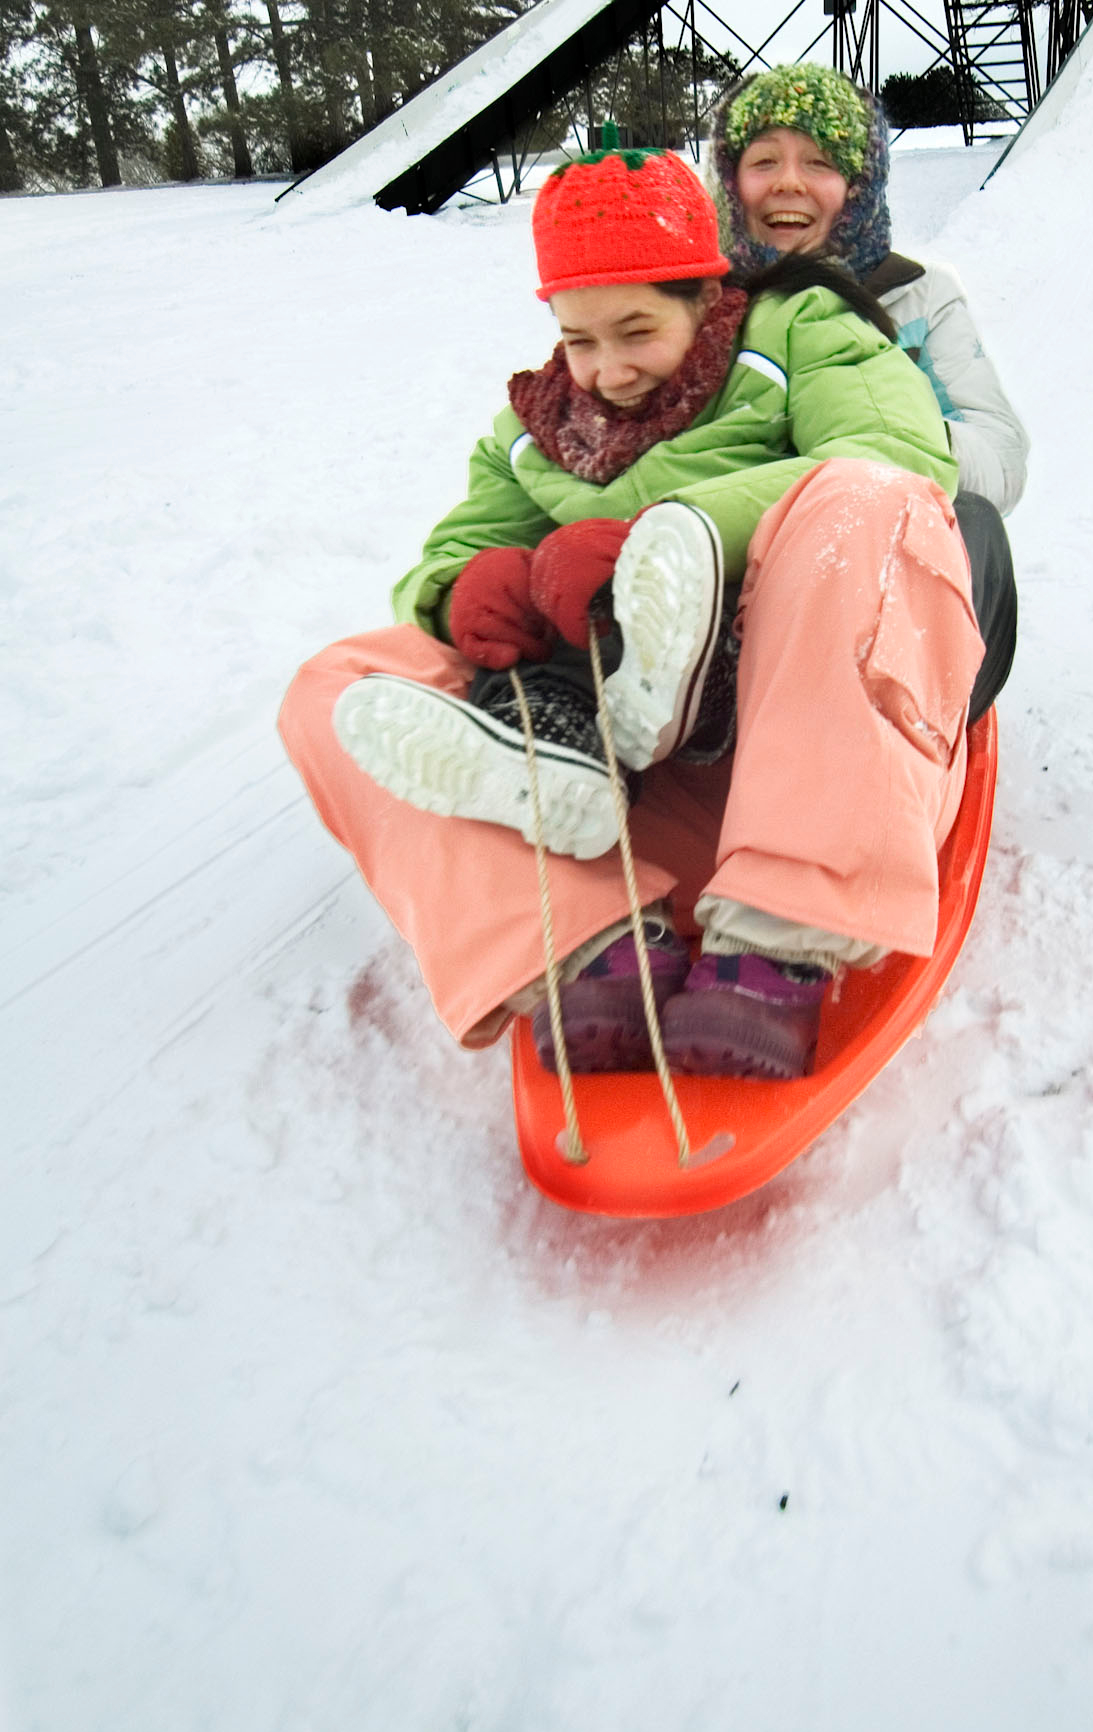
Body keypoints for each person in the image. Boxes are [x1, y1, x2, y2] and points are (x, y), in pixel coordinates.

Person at [278, 130, 992, 1083]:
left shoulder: (801, 331)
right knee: (336, 685)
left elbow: (903, 459)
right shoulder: (536, 428)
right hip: (629, 762)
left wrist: (674, 530)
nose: (606, 369)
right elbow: (451, 549)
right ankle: (587, 942)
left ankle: (783, 937)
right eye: (578, 339)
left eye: (635, 333)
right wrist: (467, 590)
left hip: (812, 745)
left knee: (867, 498)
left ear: (705, 298)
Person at [707, 61, 1031, 516]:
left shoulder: (918, 297)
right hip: (727, 556)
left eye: (820, 162)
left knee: (978, 528)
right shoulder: (699, 305)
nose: (789, 182)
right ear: (730, 180)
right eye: (764, 161)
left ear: (859, 185)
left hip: (889, 549)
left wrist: (895, 431)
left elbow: (1002, 459)